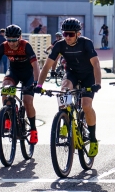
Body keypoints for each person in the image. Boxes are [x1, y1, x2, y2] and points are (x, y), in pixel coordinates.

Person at [36, 18, 101, 158]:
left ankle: (93, 139)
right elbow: (47, 66)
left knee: (86, 105)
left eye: (71, 34)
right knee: (63, 91)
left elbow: (96, 64)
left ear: (78, 34)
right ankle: (65, 119)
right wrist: (39, 85)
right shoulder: (60, 45)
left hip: (88, 76)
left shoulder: (86, 43)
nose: (67, 37)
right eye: (65, 34)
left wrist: (98, 83)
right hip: (72, 73)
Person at [0, 24, 40, 144]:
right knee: (6, 87)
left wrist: (35, 82)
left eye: (14, 40)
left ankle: (33, 129)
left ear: (20, 37)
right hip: (14, 72)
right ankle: (7, 116)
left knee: (28, 102)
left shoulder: (26, 46)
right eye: (9, 40)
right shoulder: (3, 47)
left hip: (28, 74)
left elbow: (35, 66)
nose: (11, 43)